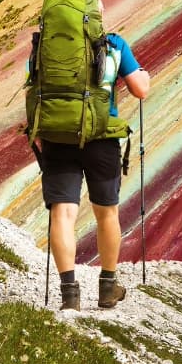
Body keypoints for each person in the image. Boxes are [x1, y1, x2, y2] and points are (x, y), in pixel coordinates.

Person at [34, 24, 150, 311]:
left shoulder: (45, 45)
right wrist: (144, 76)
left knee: (62, 212)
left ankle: (69, 295)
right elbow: (140, 90)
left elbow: (33, 87)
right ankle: (107, 287)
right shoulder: (113, 44)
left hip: (58, 137)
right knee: (106, 212)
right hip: (102, 137)